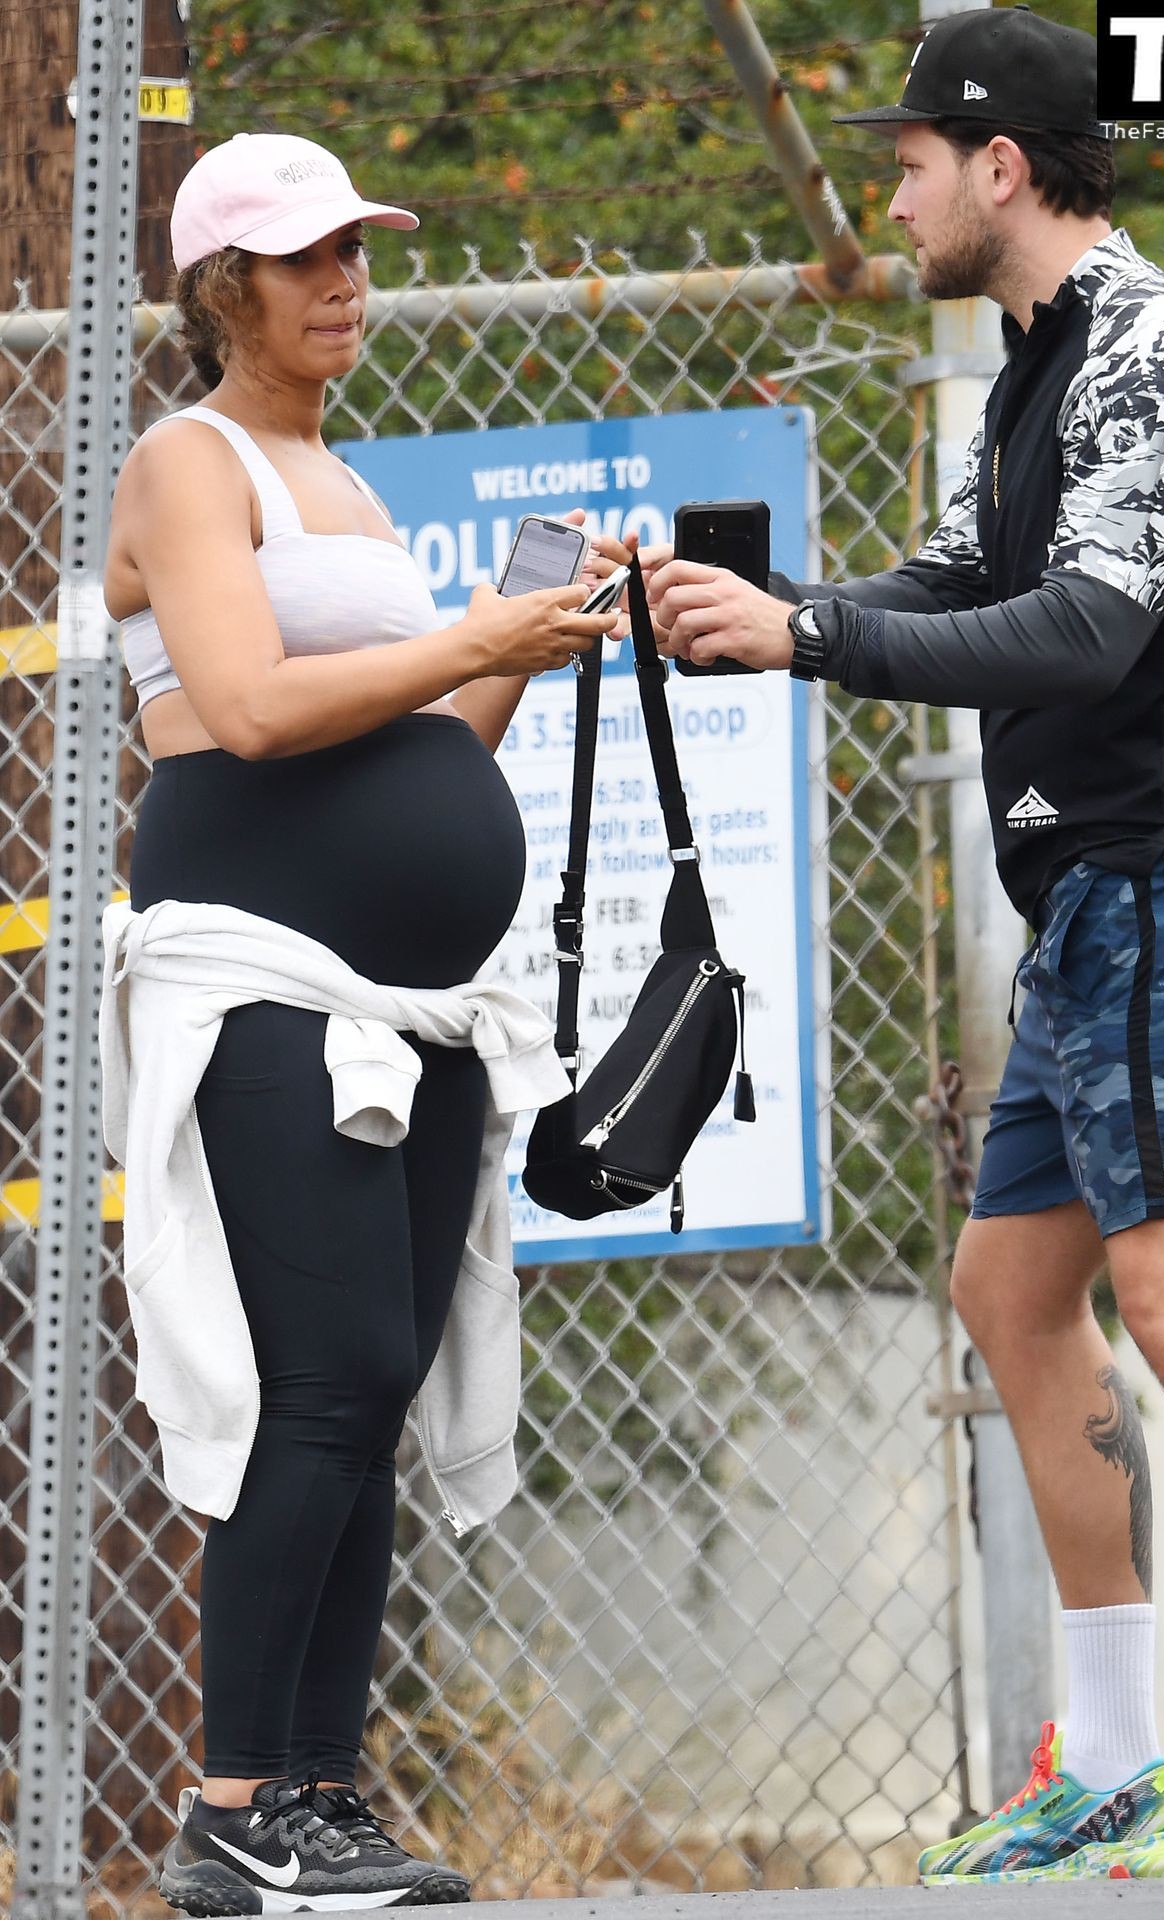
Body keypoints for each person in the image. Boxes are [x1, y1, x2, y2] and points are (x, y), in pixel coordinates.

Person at [641, 4, 1164, 1885]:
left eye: (907, 167)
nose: (891, 201)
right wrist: (761, 607)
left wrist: (808, 639)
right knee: (1011, 1293)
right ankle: (1111, 1764)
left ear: (1001, 164)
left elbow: (1083, 634)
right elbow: (969, 580)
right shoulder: (1039, 363)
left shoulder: (1157, 348)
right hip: (1089, 896)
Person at [101, 132, 620, 1913]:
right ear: (222, 286)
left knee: (375, 1380)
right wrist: (464, 639)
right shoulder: (189, 460)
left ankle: (317, 1798)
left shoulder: (345, 479)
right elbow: (248, 708)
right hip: (266, 975)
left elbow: (416, 748)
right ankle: (232, 1803)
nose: (346, 283)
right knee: (317, 1380)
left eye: (359, 253)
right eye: (308, 256)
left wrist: (518, 652)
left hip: (408, 1000)